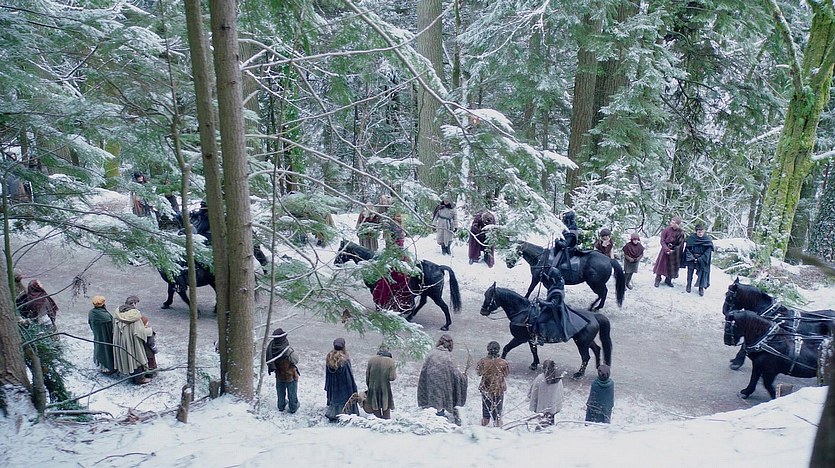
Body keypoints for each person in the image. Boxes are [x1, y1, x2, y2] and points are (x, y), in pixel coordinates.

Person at [417, 334, 468, 425]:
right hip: (443, 387)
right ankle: (440, 420)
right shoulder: (448, 357)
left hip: (430, 384)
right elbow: (455, 373)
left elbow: (424, 371)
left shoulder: (431, 354)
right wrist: (463, 377)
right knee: (440, 404)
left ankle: (433, 419)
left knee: (433, 404)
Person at [113, 303, 153, 385]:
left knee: (127, 358)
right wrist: (149, 331)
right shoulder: (135, 319)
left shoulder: (117, 316)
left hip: (121, 341)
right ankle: (139, 379)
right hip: (133, 342)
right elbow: (140, 333)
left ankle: (132, 375)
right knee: (136, 358)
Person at [324, 337, 359, 421]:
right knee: (344, 400)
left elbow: (328, 374)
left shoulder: (329, 357)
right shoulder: (344, 361)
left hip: (333, 384)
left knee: (335, 399)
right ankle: (346, 414)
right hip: (344, 385)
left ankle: (333, 414)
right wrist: (353, 388)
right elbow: (349, 376)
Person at [266, 328, 300, 413]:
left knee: (280, 391)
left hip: (279, 374)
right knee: (292, 392)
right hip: (290, 375)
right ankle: (293, 407)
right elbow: (295, 360)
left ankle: (281, 406)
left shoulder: (271, 347)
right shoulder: (287, 350)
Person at [476, 341, 509, 427]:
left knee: (485, 413)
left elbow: (479, 373)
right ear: (498, 350)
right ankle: (497, 429)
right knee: (497, 414)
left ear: (488, 349)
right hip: (498, 389)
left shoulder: (482, 361)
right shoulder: (503, 363)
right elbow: (506, 374)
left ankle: (483, 429)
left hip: (486, 388)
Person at [126, 296, 157, 375]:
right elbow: (151, 343)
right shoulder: (146, 331)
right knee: (150, 362)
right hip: (146, 352)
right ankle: (150, 373)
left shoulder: (126, 315)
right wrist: (155, 349)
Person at [529, 360, 565, 428]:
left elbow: (534, 390)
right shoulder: (558, 379)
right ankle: (550, 429)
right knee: (550, 419)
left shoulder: (540, 378)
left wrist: (531, 397)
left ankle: (541, 430)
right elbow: (560, 392)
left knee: (542, 421)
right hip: (553, 405)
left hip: (541, 405)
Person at [366, 344, 397, 419]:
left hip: (373, 388)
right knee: (386, 407)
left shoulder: (371, 360)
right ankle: (386, 421)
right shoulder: (391, 361)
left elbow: (367, 376)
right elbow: (392, 377)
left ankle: (377, 420)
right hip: (385, 388)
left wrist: (369, 387)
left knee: (375, 408)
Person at [653, 216, 684, 287]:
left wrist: (673, 251)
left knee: (671, 266)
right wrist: (667, 249)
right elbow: (662, 241)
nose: (671, 224)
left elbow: (680, 244)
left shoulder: (681, 232)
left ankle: (668, 280)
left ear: (677, 224)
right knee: (661, 265)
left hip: (674, 252)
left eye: (673, 223)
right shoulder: (666, 230)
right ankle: (658, 279)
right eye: (671, 222)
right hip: (665, 250)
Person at [683, 223, 714, 296]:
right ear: (696, 231)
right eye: (699, 232)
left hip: (702, 259)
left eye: (702, 232)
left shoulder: (707, 240)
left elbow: (708, 252)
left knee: (702, 273)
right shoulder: (691, 239)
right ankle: (688, 285)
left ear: (704, 231)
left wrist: (700, 259)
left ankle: (701, 287)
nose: (700, 233)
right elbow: (687, 249)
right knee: (690, 272)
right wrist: (692, 258)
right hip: (692, 258)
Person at [88, 296, 115, 375]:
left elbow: (90, 323)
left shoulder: (91, 313)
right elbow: (111, 328)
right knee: (107, 351)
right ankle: (109, 368)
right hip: (106, 337)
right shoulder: (106, 316)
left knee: (99, 348)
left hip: (97, 335)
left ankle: (101, 366)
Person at [551, 210, 579, 275]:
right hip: (565, 249)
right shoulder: (569, 227)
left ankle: (557, 275)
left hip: (568, 250)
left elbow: (565, 244)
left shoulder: (571, 230)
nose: (563, 221)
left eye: (564, 219)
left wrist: (557, 241)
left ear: (568, 220)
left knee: (555, 263)